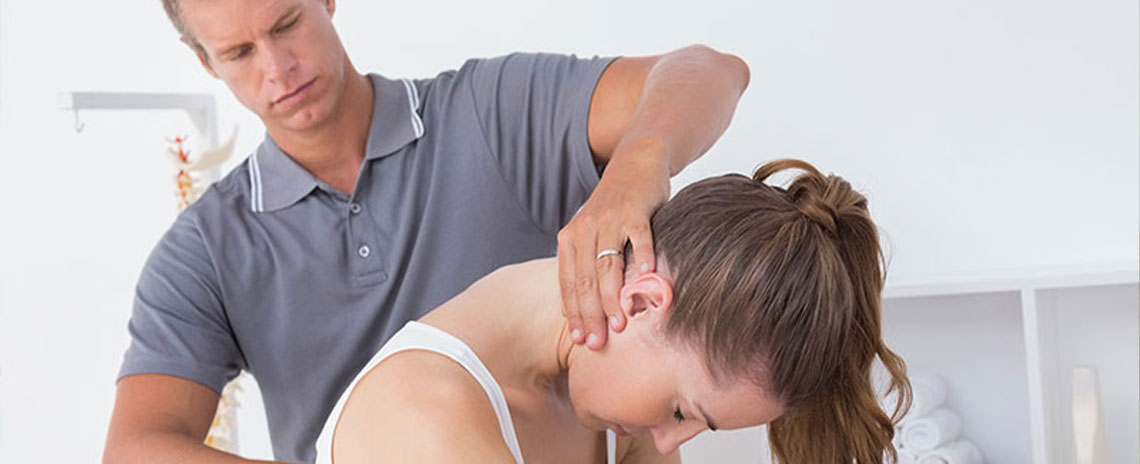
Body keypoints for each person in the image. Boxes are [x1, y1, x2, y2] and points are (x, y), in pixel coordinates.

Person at [103, 0, 751, 462]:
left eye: (286, 23)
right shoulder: (206, 251)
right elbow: (136, 449)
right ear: (205, 62)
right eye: (239, 52)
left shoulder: (491, 113)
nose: (277, 68)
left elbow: (712, 71)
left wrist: (636, 169)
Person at [316, 159, 913, 464]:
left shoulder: (614, 412)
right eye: (682, 410)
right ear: (642, 300)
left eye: (693, 425)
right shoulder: (423, 413)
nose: (667, 439)